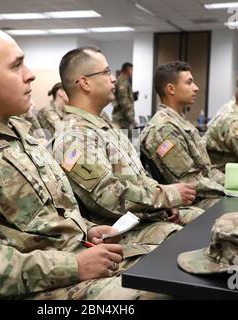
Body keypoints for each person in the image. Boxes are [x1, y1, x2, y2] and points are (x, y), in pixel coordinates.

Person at [0, 26, 165, 300]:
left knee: (170, 263)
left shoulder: (20, 132)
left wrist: (86, 229)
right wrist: (72, 266)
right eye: (17, 66)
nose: (30, 74)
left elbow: (48, 216)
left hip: (74, 256)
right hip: (35, 286)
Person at [53, 47, 202, 233]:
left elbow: (136, 178)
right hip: (122, 231)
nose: (113, 78)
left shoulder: (103, 125)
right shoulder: (75, 137)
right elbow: (109, 197)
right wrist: (166, 196)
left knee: (212, 223)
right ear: (85, 83)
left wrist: (164, 200)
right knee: (208, 232)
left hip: (146, 218)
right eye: (106, 72)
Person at [140, 61, 224, 209]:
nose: (196, 88)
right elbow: (190, 182)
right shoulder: (164, 129)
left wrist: (234, 184)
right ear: (171, 89)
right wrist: (229, 191)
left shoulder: (178, 122)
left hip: (203, 195)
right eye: (189, 83)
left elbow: (206, 171)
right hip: (188, 205)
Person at [112, 62, 136, 129]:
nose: (132, 72)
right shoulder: (122, 82)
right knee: (133, 138)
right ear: (127, 70)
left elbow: (125, 98)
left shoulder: (125, 81)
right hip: (122, 120)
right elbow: (124, 102)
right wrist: (132, 119)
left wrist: (134, 96)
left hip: (125, 119)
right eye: (132, 70)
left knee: (133, 137)